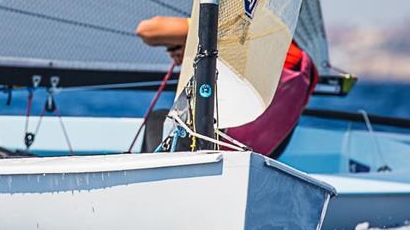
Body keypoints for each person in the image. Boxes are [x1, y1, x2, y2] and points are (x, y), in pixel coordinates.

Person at [135, 16, 317, 157]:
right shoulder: (305, 67)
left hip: (213, 145)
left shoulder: (235, 28)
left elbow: (147, 30)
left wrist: (194, 38)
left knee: (159, 118)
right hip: (257, 156)